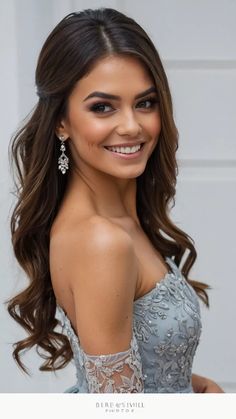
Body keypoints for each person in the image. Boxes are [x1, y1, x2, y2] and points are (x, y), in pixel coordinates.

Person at [7, 8, 224, 393]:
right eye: (102, 107)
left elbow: (138, 370)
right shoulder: (100, 241)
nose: (131, 126)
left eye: (145, 103)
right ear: (61, 121)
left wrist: (195, 389)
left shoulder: (117, 220)